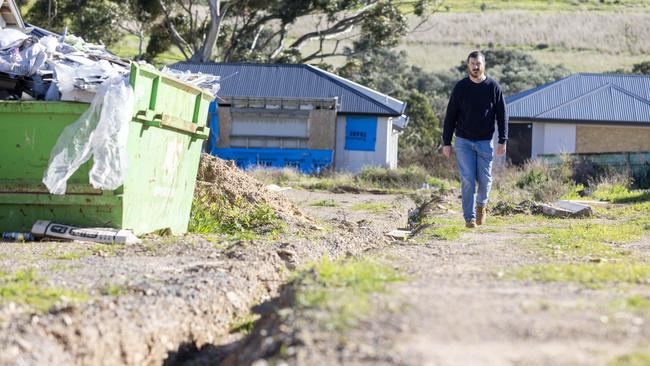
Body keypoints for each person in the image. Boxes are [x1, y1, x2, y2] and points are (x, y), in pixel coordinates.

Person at [442, 50, 508, 228]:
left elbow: (502, 116)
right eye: (472, 64)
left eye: (478, 63)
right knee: (468, 180)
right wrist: (446, 142)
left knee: (485, 180)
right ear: (468, 66)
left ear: (484, 65)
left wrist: (503, 139)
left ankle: (481, 206)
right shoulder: (461, 87)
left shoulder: (493, 87)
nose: (475, 67)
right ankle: (469, 218)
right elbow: (450, 116)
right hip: (463, 141)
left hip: (485, 142)